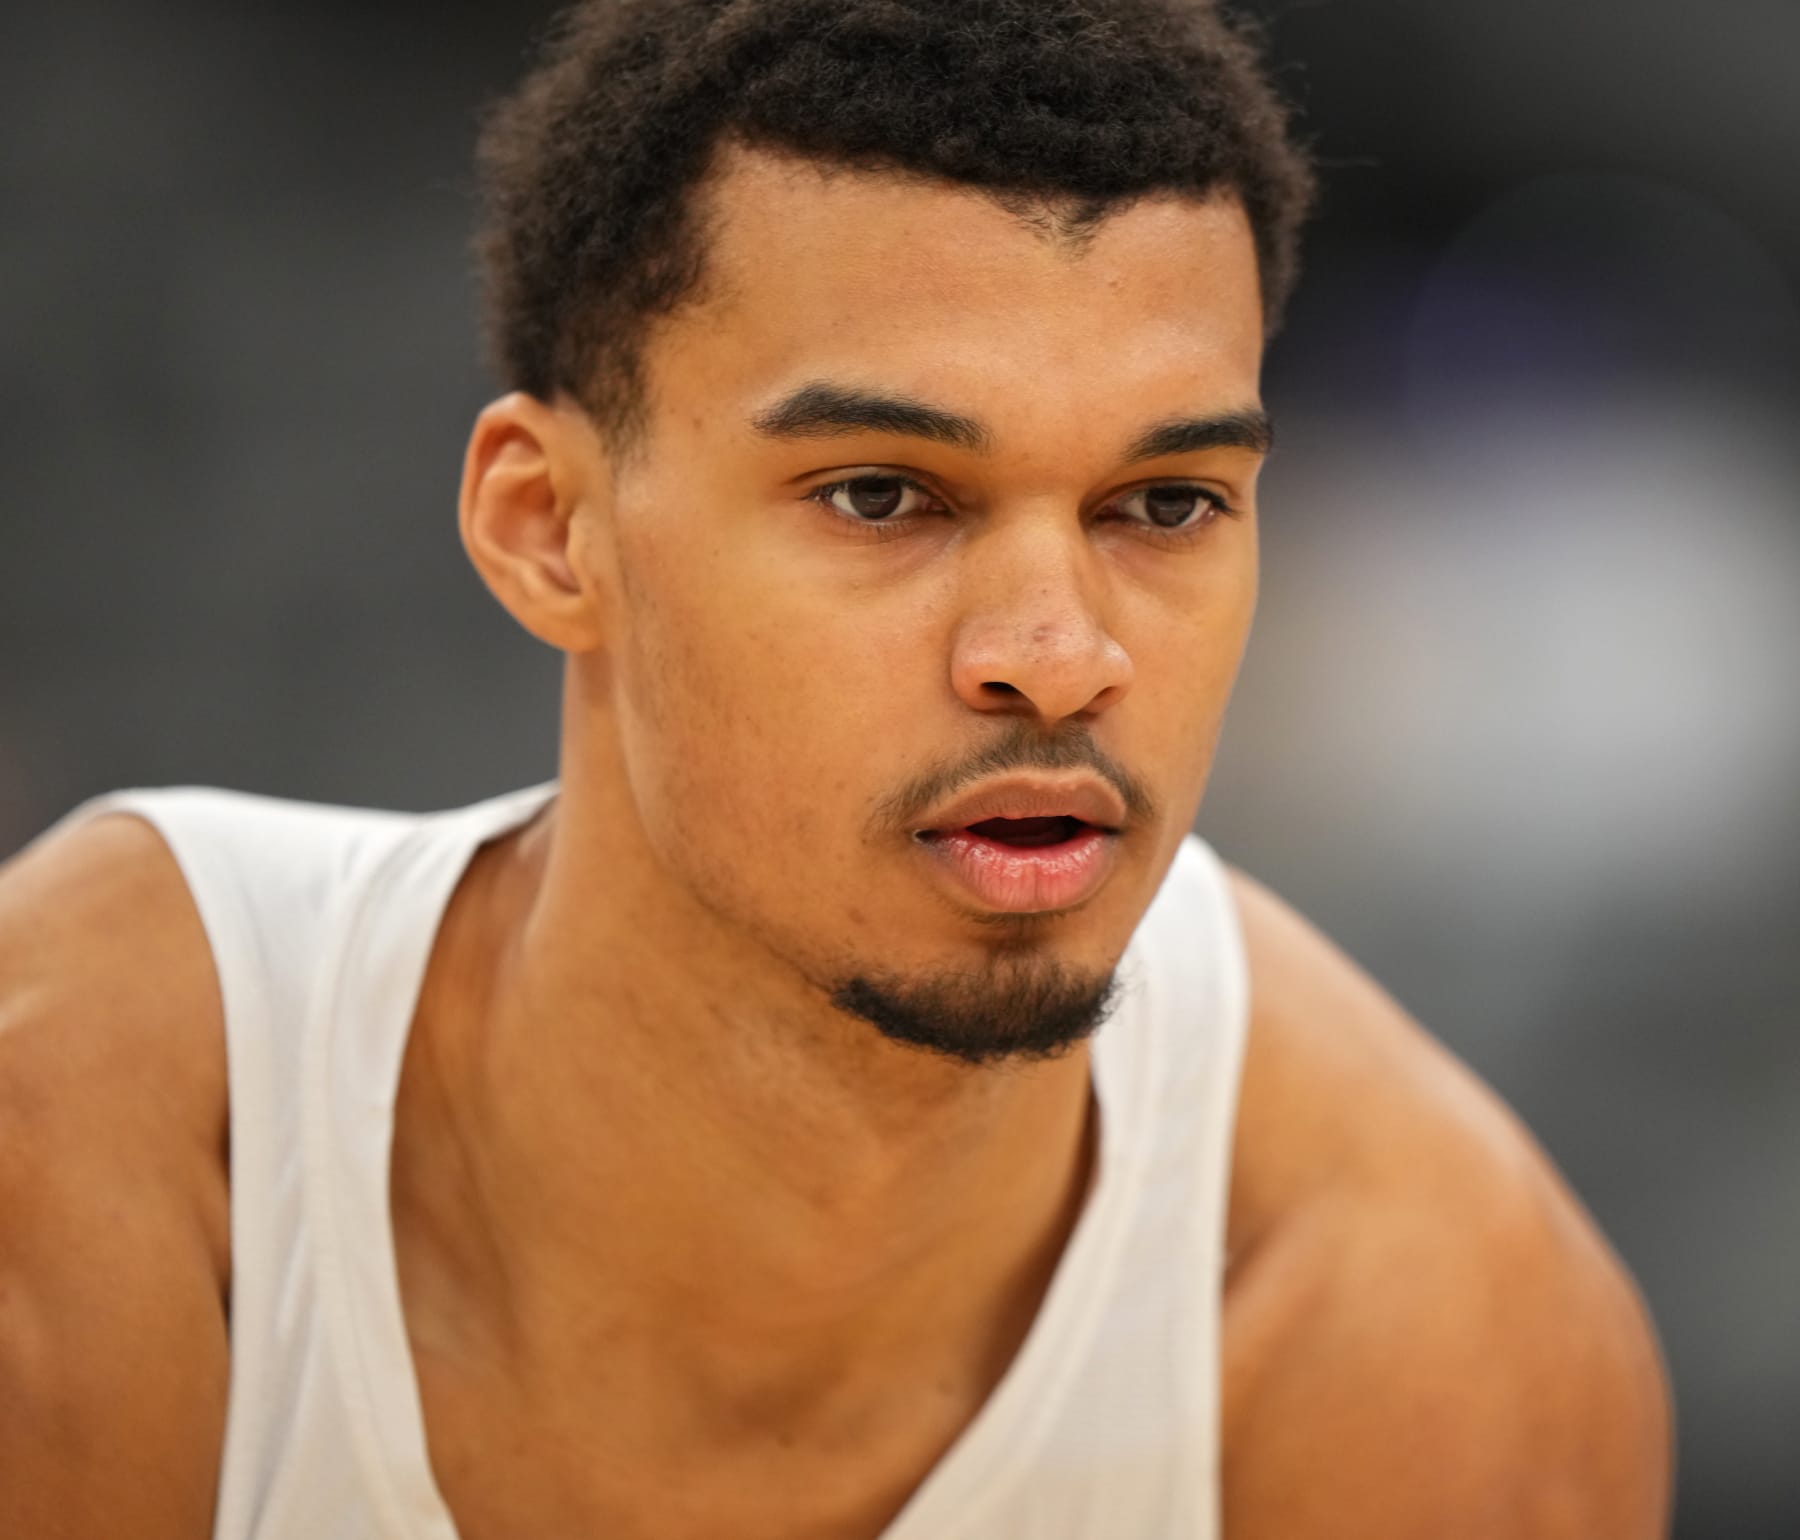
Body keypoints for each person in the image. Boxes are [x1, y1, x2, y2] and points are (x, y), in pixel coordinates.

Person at [0, 0, 1673, 1535]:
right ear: (547, 528)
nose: (1058, 652)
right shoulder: (92, 1116)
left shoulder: (1433, 1324)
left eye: (1164, 505)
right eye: (884, 494)